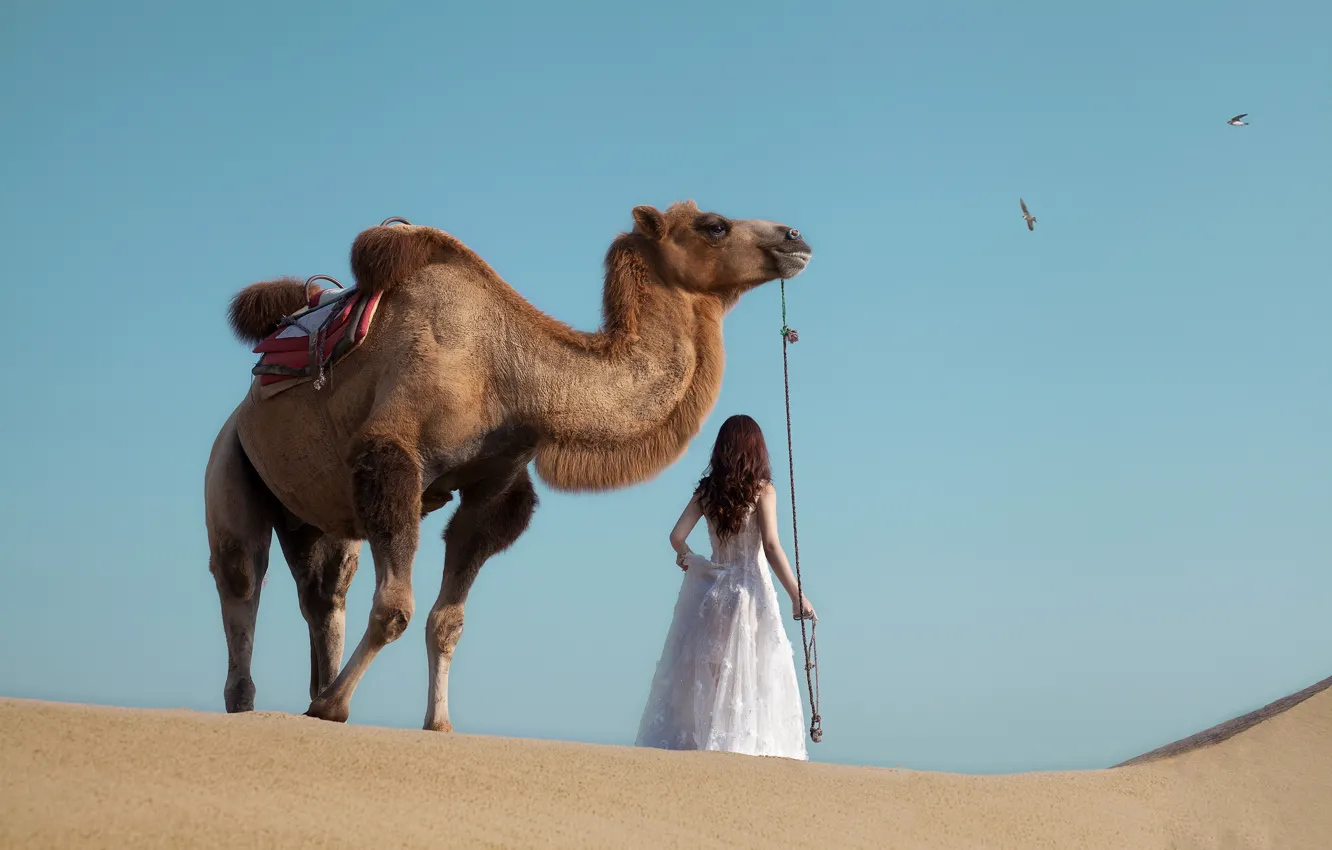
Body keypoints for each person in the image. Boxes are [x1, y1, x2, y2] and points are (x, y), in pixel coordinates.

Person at [634, 413, 817, 760]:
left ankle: (708, 743)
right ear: (757, 449)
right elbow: (772, 546)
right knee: (754, 673)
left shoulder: (707, 491)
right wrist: (798, 596)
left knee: (716, 675)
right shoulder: (763, 490)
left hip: (715, 592)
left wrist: (688, 558)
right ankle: (741, 747)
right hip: (751, 594)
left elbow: (676, 536)